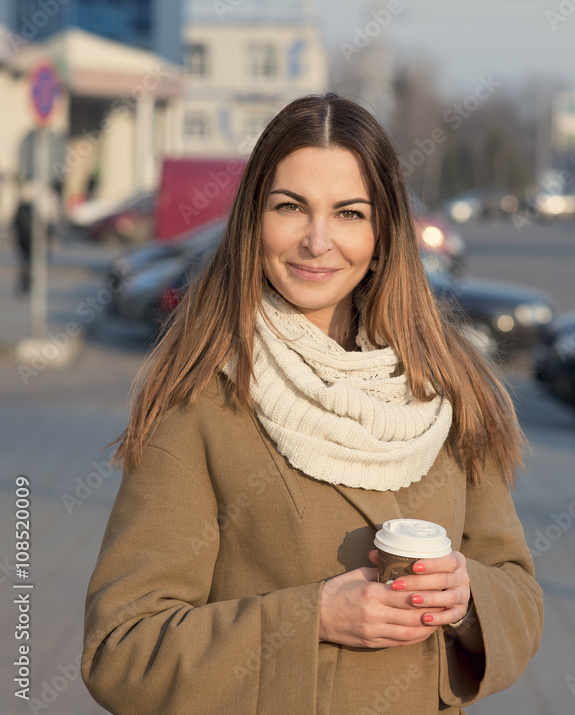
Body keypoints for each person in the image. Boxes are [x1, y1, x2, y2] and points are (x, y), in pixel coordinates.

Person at [81, 94, 543, 713]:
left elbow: (518, 593)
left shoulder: (447, 386)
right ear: (254, 221)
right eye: (291, 207)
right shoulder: (198, 398)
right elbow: (122, 652)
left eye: (350, 213)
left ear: (382, 236)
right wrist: (312, 619)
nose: (317, 241)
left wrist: (466, 599)